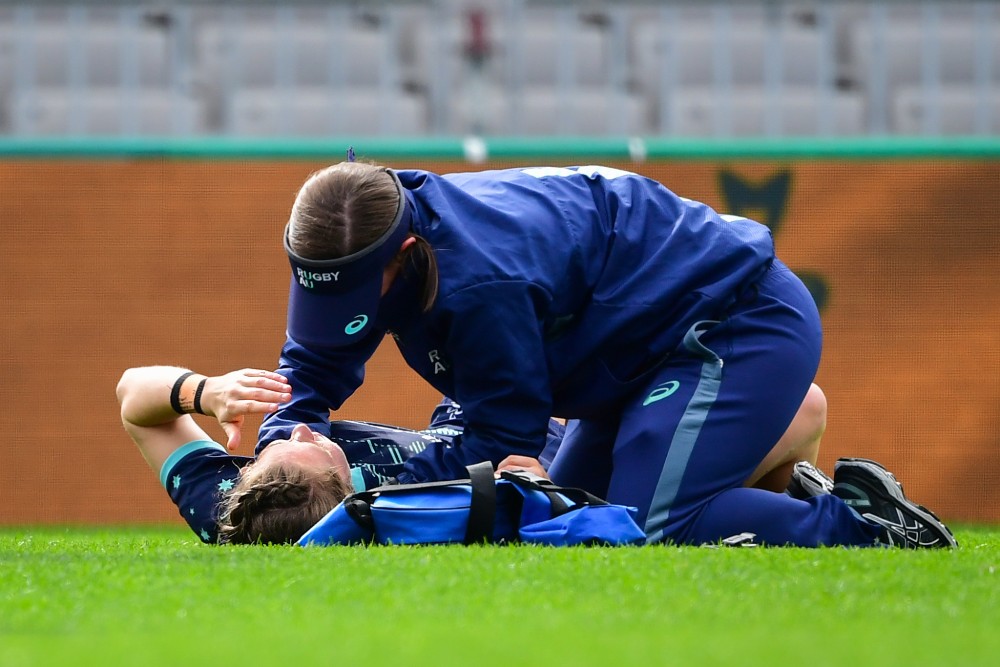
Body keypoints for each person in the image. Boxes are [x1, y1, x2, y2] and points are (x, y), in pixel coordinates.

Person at [259, 158, 957, 549]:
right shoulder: (367, 236)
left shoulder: (484, 283)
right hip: (631, 363)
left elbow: (499, 443)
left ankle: (870, 527)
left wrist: (360, 496)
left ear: (405, 256)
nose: (337, 308)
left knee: (641, 527)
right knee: (573, 523)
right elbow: (312, 365)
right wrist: (268, 455)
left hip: (732, 324)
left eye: (353, 289)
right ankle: (781, 484)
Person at [119, 364, 833, 546]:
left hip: (542, 419)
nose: (302, 431)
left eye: (287, 441)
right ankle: (814, 508)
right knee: (803, 405)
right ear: (342, 503)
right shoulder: (397, 522)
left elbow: (130, 399)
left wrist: (201, 391)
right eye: (316, 453)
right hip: (587, 462)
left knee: (802, 406)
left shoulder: (234, 510)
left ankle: (795, 496)